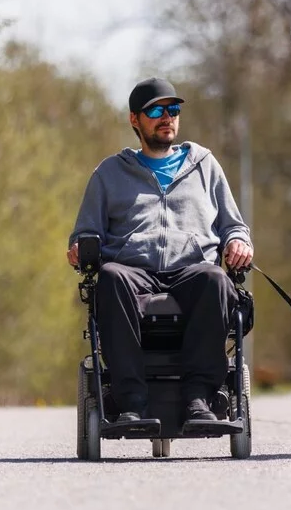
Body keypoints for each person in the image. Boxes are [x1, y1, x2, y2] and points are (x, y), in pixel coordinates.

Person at [67, 77, 254, 427]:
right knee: (109, 277)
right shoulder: (109, 173)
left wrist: (238, 242)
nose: (166, 117)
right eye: (156, 111)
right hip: (132, 272)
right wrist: (80, 248)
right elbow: (86, 232)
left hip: (192, 271)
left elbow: (234, 226)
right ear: (134, 120)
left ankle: (199, 400)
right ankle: (131, 405)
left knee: (215, 279)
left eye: (173, 110)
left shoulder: (205, 166)